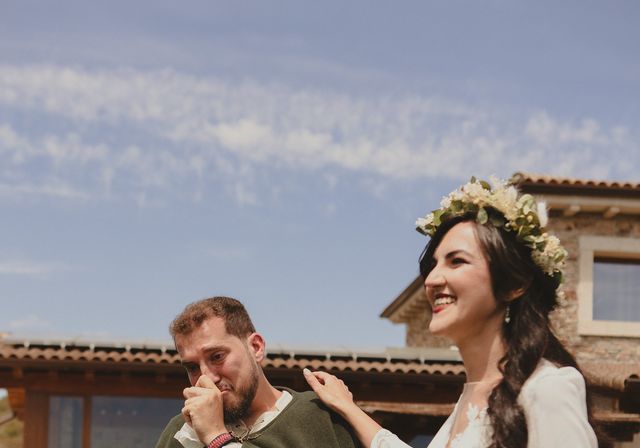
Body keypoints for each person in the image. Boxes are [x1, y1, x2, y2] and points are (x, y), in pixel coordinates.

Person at [304, 177, 598, 448]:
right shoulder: (470, 395)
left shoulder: (548, 388)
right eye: (434, 265)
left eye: (456, 261)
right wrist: (348, 407)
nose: (431, 280)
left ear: (515, 284)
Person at [156, 296, 359, 448]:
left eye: (217, 356)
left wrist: (216, 437)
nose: (206, 377)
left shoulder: (322, 416)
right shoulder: (182, 433)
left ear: (256, 347)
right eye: (192, 367)